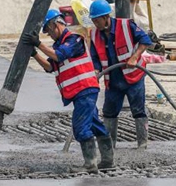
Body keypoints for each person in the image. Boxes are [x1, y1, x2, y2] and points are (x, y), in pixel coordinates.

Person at [21, 9, 114, 172]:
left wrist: (38, 44)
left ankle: (90, 164)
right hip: (79, 92)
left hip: (84, 89)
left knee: (80, 127)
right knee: (95, 124)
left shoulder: (74, 39)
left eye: (48, 31)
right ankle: (107, 160)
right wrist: (35, 53)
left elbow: (59, 56)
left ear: (55, 24)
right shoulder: (59, 45)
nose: (49, 35)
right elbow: (50, 67)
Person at [88, 0, 153, 149]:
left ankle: (142, 144)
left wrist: (135, 57)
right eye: (93, 21)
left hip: (133, 76)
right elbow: (95, 57)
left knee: (138, 110)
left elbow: (145, 40)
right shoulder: (94, 34)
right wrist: (96, 71)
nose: (96, 24)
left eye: (97, 20)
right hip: (112, 79)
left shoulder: (125, 25)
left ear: (106, 17)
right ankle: (110, 145)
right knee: (109, 112)